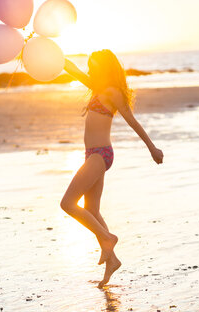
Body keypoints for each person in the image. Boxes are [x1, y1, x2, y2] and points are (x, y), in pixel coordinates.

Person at [60, 49, 164, 288]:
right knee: (92, 210)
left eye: (93, 65)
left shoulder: (113, 93)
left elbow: (133, 122)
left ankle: (108, 239)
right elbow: (71, 69)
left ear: (103, 66)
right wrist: (42, 49)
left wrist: (152, 148)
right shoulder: (97, 86)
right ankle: (113, 261)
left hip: (100, 155)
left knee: (66, 204)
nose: (89, 69)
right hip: (92, 155)